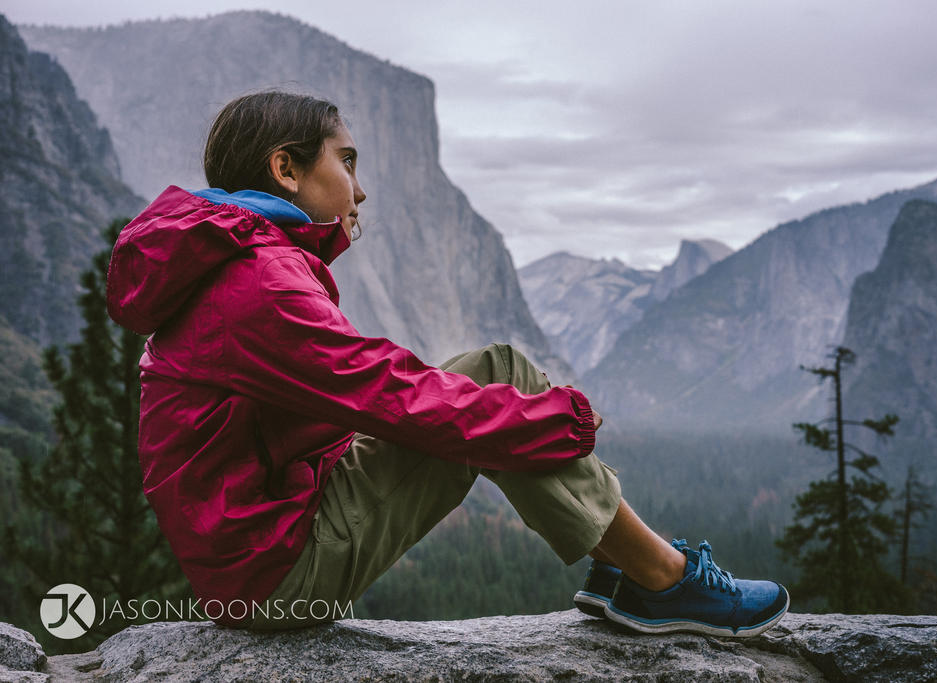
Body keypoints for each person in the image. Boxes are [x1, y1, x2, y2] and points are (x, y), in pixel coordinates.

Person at [105, 90, 789, 638]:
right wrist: (556, 419)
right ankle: (664, 579)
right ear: (286, 168)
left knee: (492, 367)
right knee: (501, 379)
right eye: (347, 162)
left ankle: (633, 568)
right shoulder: (258, 282)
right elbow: (386, 390)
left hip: (253, 546)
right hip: (275, 572)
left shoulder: (233, 262)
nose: (360, 189)